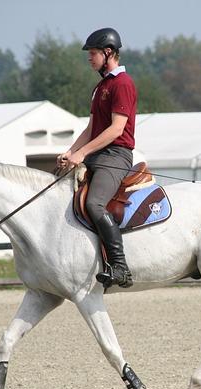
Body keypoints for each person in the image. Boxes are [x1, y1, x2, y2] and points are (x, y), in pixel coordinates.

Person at [57, 28, 136, 288]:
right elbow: (91, 128)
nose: (89, 58)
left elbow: (115, 129)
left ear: (108, 53)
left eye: (93, 53)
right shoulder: (101, 86)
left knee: (95, 204)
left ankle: (120, 267)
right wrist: (71, 152)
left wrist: (83, 153)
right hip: (98, 153)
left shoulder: (122, 84)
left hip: (116, 155)